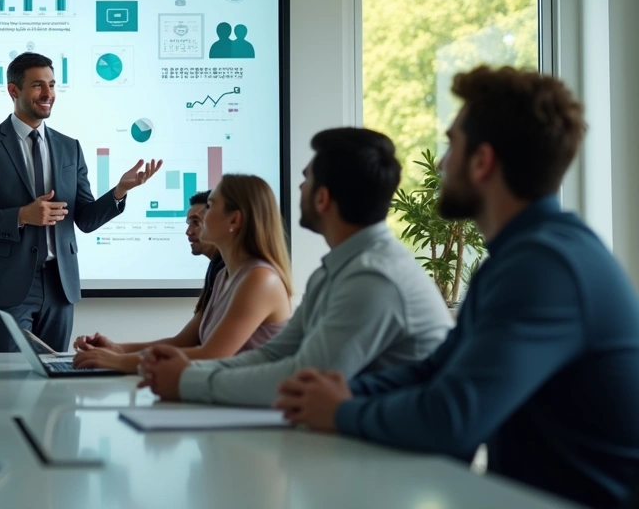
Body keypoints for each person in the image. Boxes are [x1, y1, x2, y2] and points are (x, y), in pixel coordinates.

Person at [274, 67, 639, 509]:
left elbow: (452, 417)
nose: (442, 163)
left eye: (451, 145)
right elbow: (435, 371)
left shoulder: (546, 266)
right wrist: (343, 391)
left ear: (482, 162)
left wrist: (340, 410)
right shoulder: (521, 255)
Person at [138, 128, 452, 406]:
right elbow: (274, 354)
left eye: (306, 179)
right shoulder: (335, 270)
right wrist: (184, 371)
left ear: (322, 198)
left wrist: (185, 380)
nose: (299, 188)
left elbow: (303, 376)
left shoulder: (373, 277)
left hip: (404, 461)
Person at [0, 51, 162, 352]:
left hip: (59, 285)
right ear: (13, 91)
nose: (48, 94)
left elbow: (85, 219)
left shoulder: (70, 148)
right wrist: (21, 215)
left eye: (52, 85)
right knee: (5, 384)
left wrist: (118, 191)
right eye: (38, 85)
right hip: (7, 286)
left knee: (55, 382)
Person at [73, 177, 293, 372]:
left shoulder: (261, 279)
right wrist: (117, 349)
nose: (201, 216)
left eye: (211, 206)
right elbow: (184, 342)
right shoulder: (224, 276)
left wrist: (117, 362)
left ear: (234, 220)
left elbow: (211, 356)